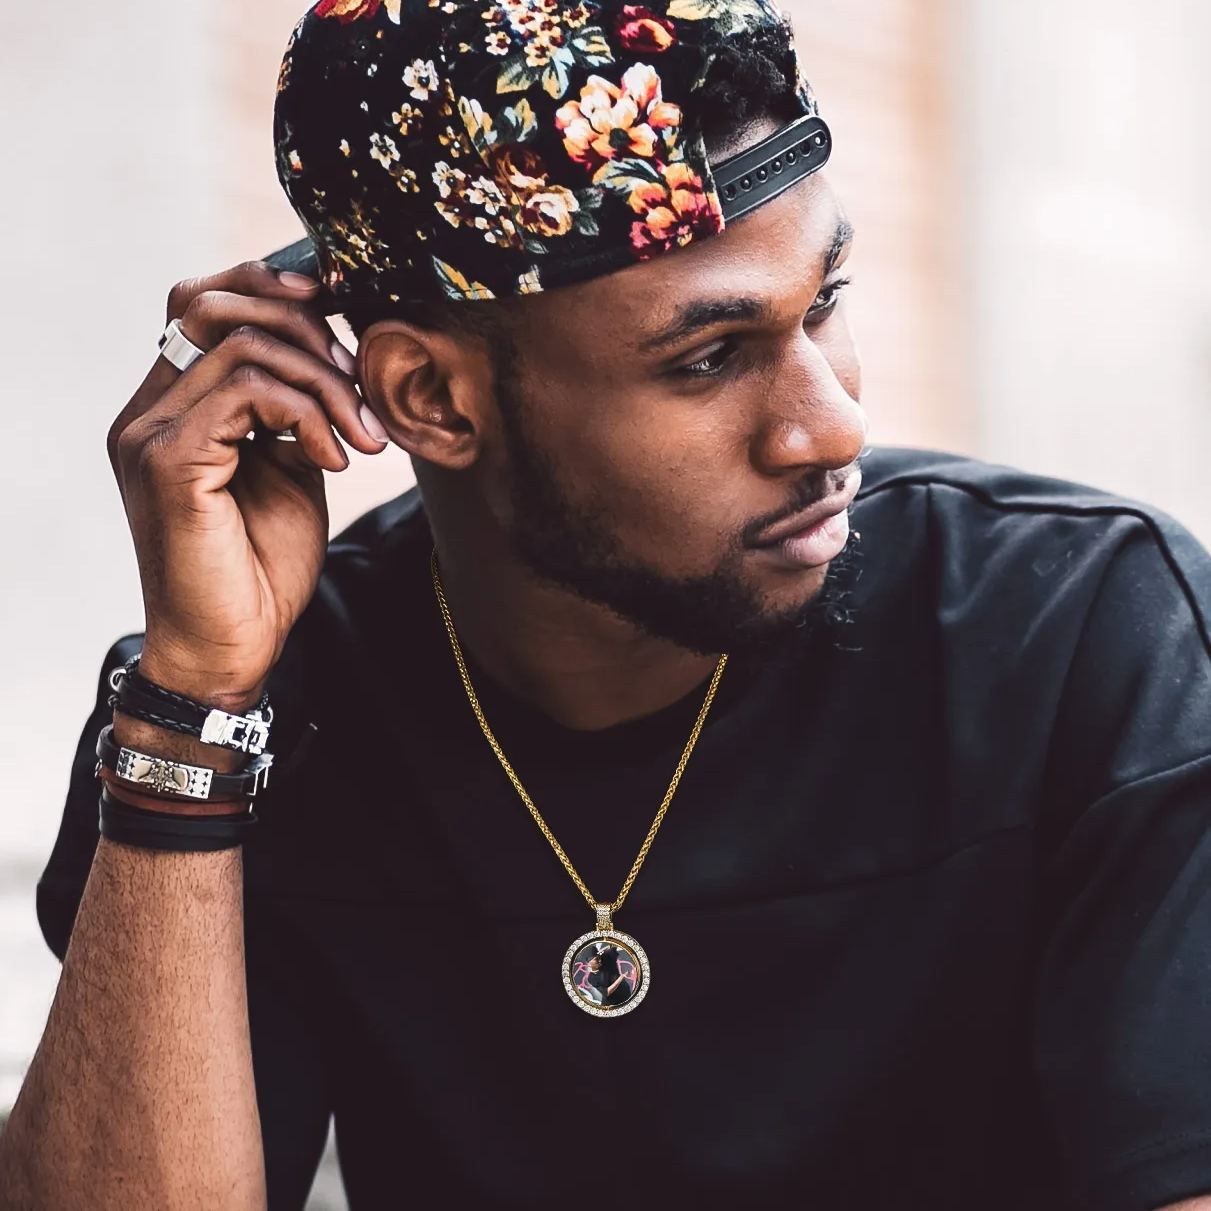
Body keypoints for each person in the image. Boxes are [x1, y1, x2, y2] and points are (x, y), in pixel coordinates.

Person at [1, 0, 1210, 1207]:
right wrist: (195, 700)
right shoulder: (265, 713)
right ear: (430, 399)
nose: (831, 425)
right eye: (706, 358)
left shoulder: (1080, 632)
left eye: (824, 301)